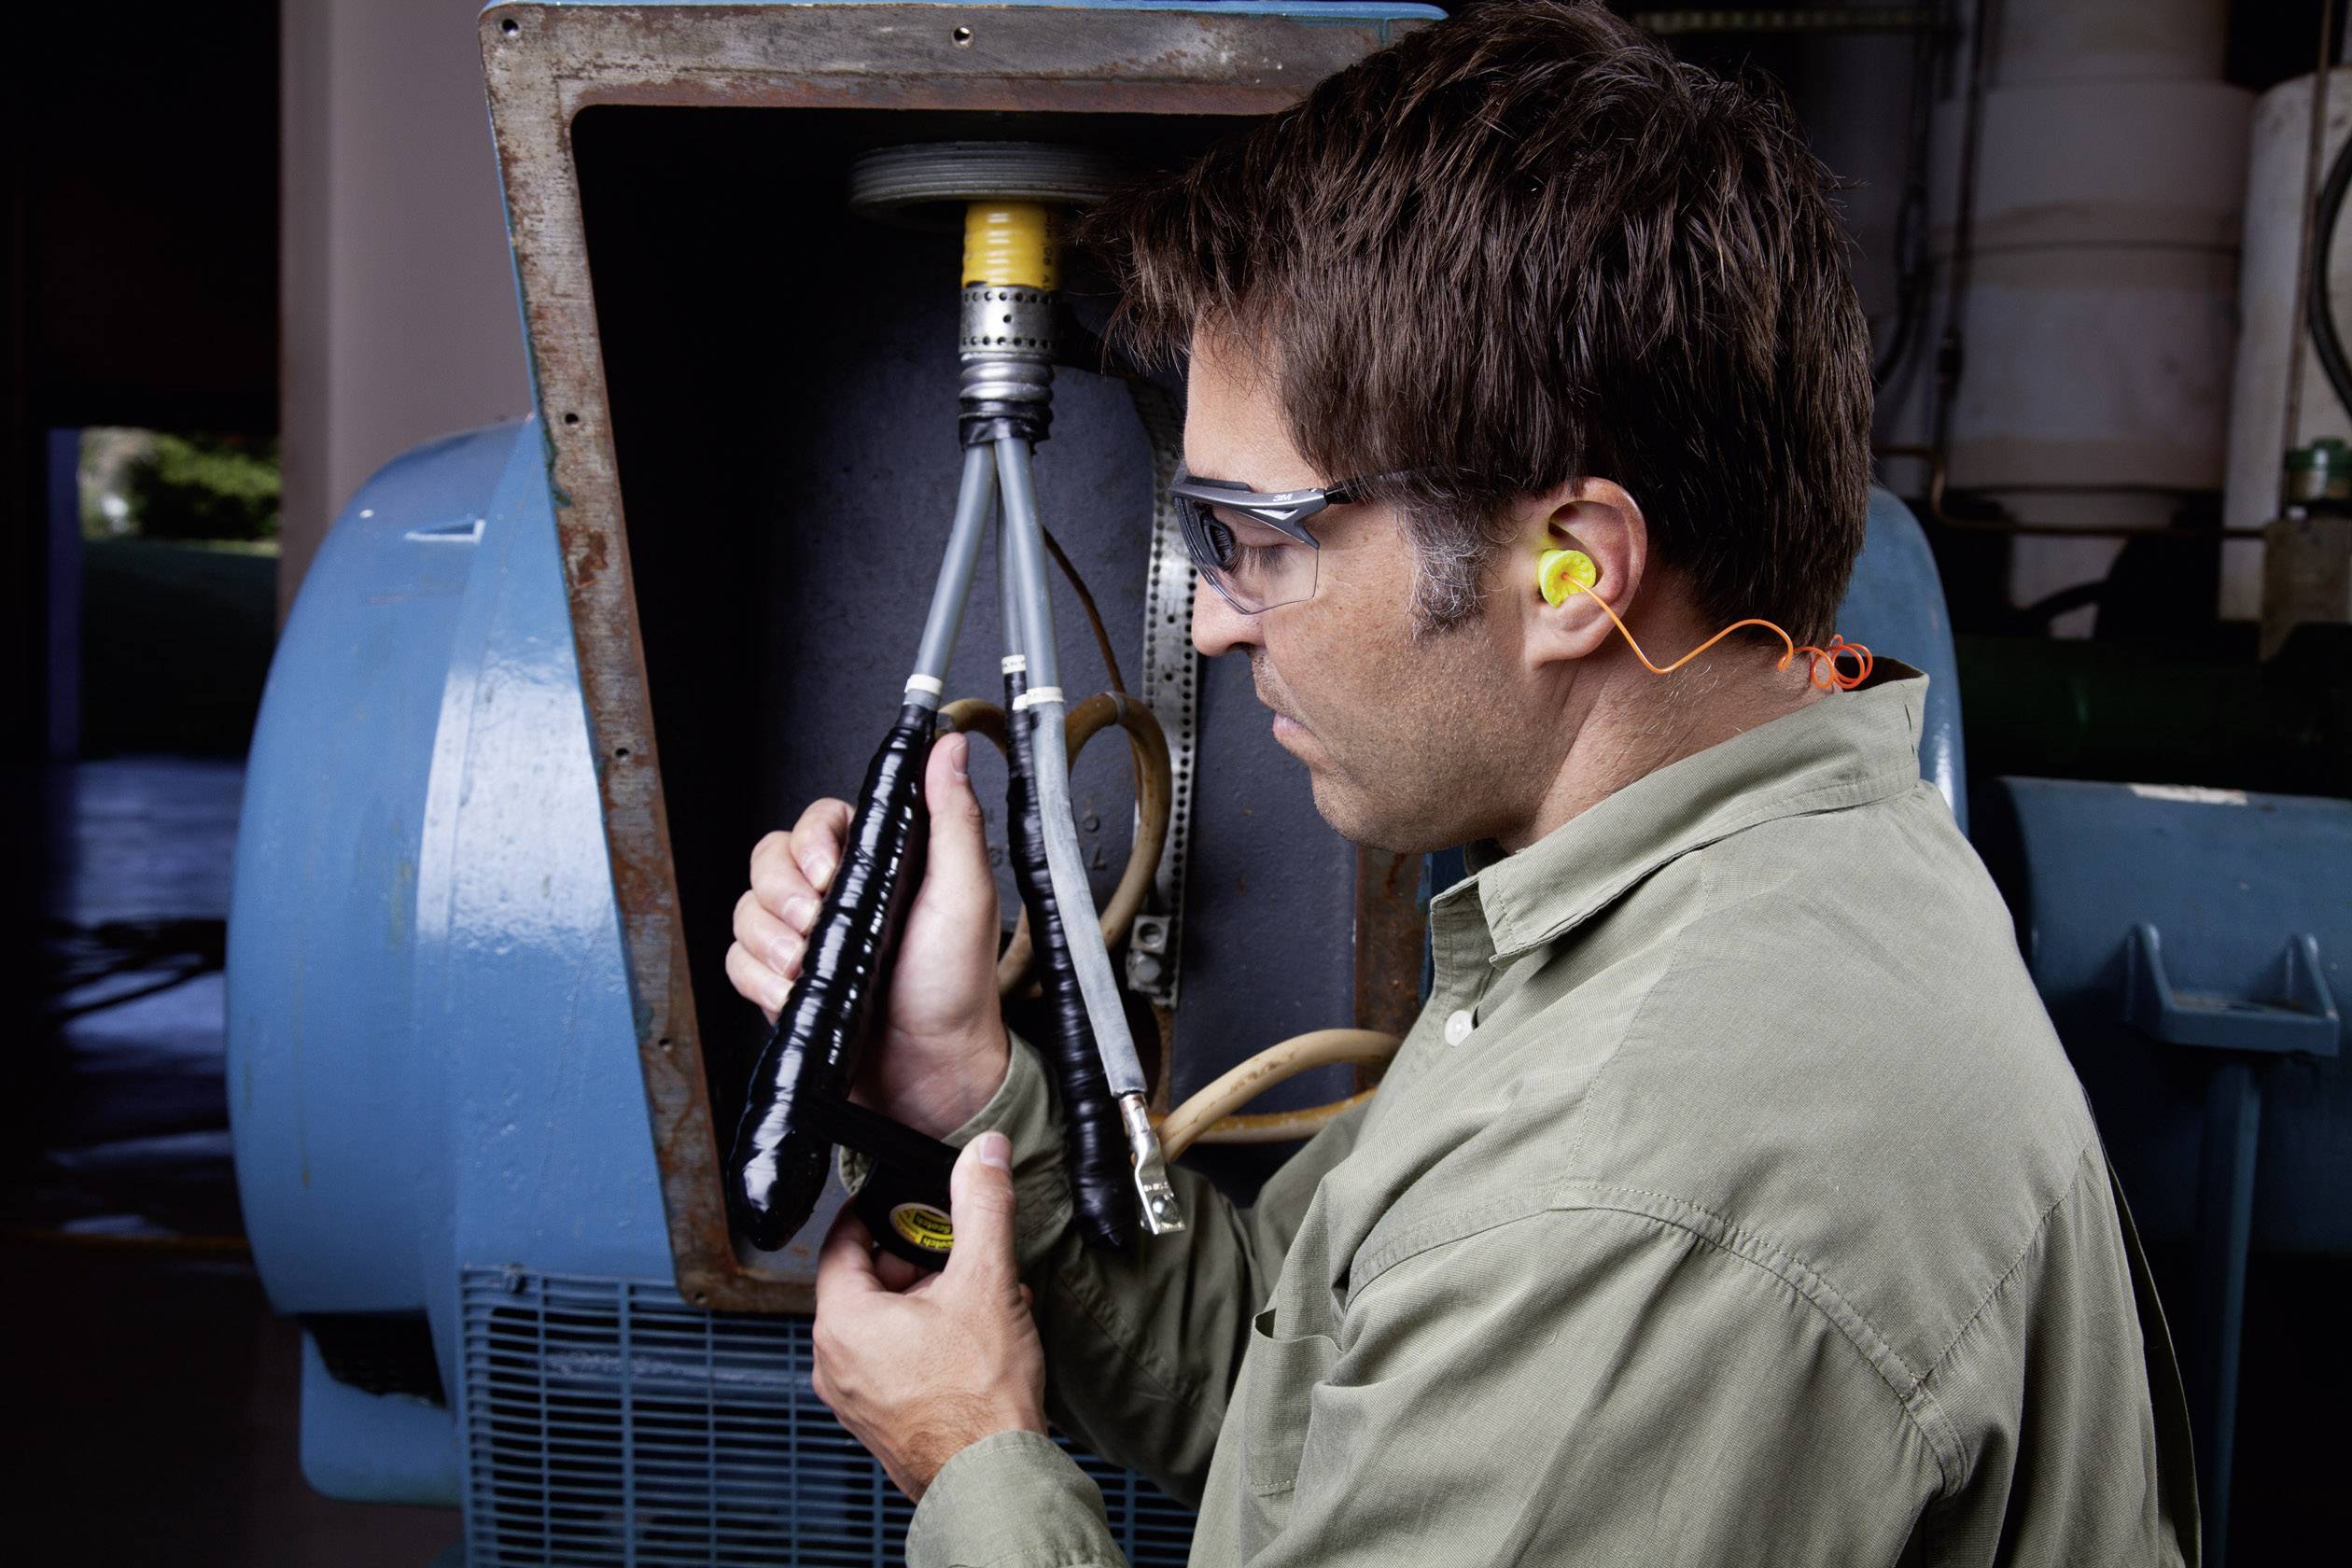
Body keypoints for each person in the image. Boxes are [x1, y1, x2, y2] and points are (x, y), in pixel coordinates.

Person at [724, 4, 2197, 1562]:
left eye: (1259, 538)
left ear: (1574, 573)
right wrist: (968, 1088)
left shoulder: (1643, 1185)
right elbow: (1309, 1399)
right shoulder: (1699, 892)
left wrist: (976, 1460)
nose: (1214, 616)